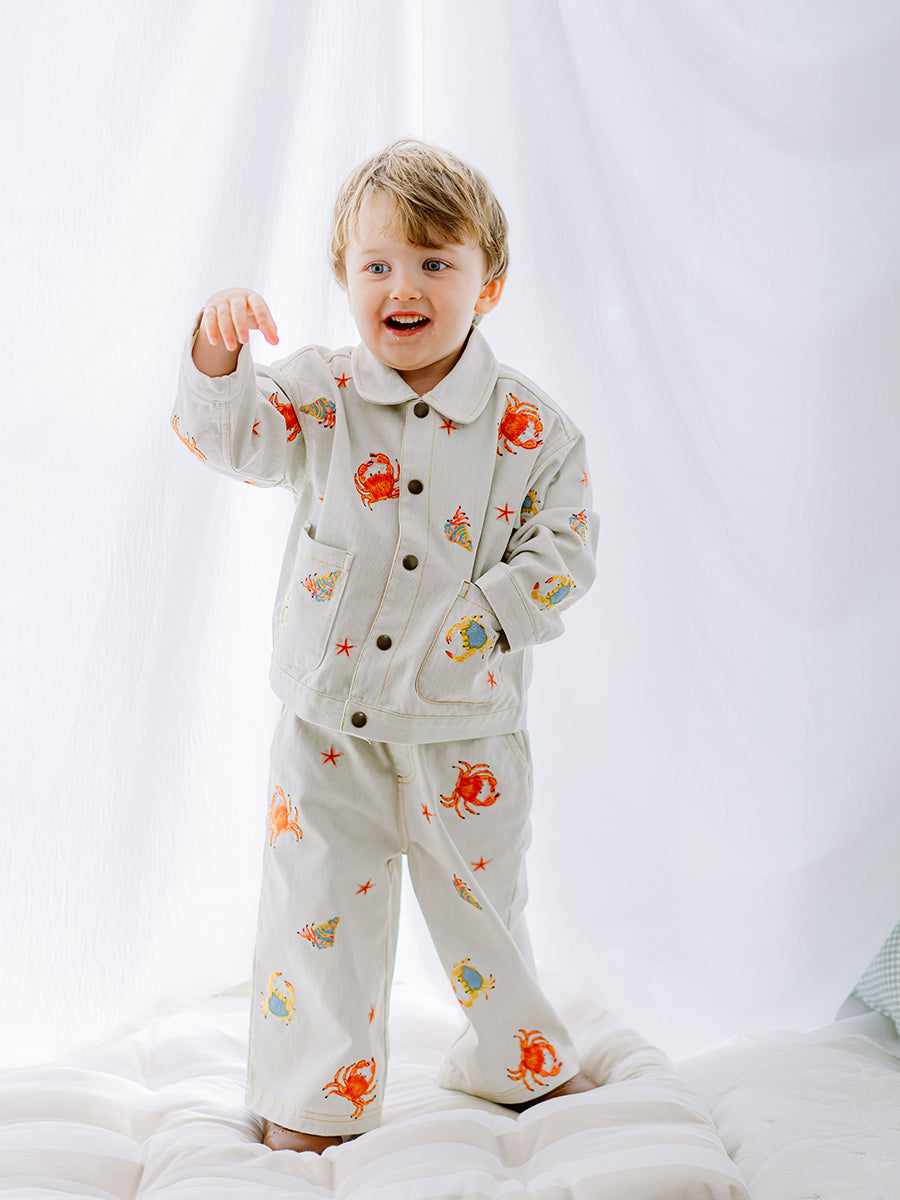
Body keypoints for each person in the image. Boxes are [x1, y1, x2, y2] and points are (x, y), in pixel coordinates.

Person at [173, 139, 600, 1154]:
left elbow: (567, 550)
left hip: (466, 729)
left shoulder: (533, 429)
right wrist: (217, 349)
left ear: (487, 284)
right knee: (315, 909)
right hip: (329, 725)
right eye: (377, 265)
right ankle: (312, 1100)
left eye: (434, 262)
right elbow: (229, 438)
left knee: (484, 908)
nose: (402, 286)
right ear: (346, 279)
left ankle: (518, 1061)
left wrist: (477, 620)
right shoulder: (319, 395)